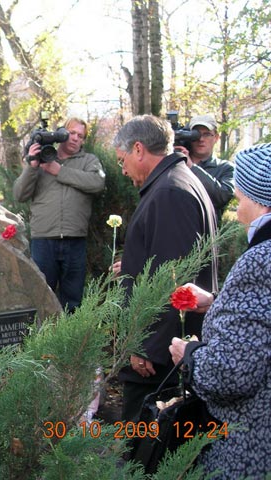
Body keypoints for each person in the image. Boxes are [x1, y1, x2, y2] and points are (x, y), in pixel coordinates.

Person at [169, 143, 271, 480]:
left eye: (240, 201)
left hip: (251, 444)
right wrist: (219, 301)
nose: (238, 213)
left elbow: (231, 375)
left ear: (262, 202)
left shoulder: (260, 260)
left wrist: (190, 356)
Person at [111, 115, 218, 423]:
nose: (123, 170)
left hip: (159, 361)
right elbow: (165, 257)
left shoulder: (170, 193)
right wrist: (133, 263)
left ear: (138, 149)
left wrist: (146, 346)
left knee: (144, 444)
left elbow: (174, 280)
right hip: (165, 350)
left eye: (122, 160)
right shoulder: (172, 183)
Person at [13, 117, 106, 313]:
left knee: (73, 301)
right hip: (44, 239)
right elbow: (20, 194)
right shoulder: (41, 160)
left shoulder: (89, 161)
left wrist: (59, 171)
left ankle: (70, 333)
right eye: (72, 133)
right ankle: (43, 333)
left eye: (81, 136)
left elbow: (97, 183)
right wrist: (32, 166)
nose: (76, 138)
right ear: (61, 134)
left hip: (75, 240)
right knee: (41, 297)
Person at [176, 114, 235, 222]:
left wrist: (191, 167)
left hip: (207, 230)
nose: (201, 139)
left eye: (207, 134)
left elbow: (222, 197)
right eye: (195, 134)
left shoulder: (225, 168)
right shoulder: (177, 164)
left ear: (216, 137)